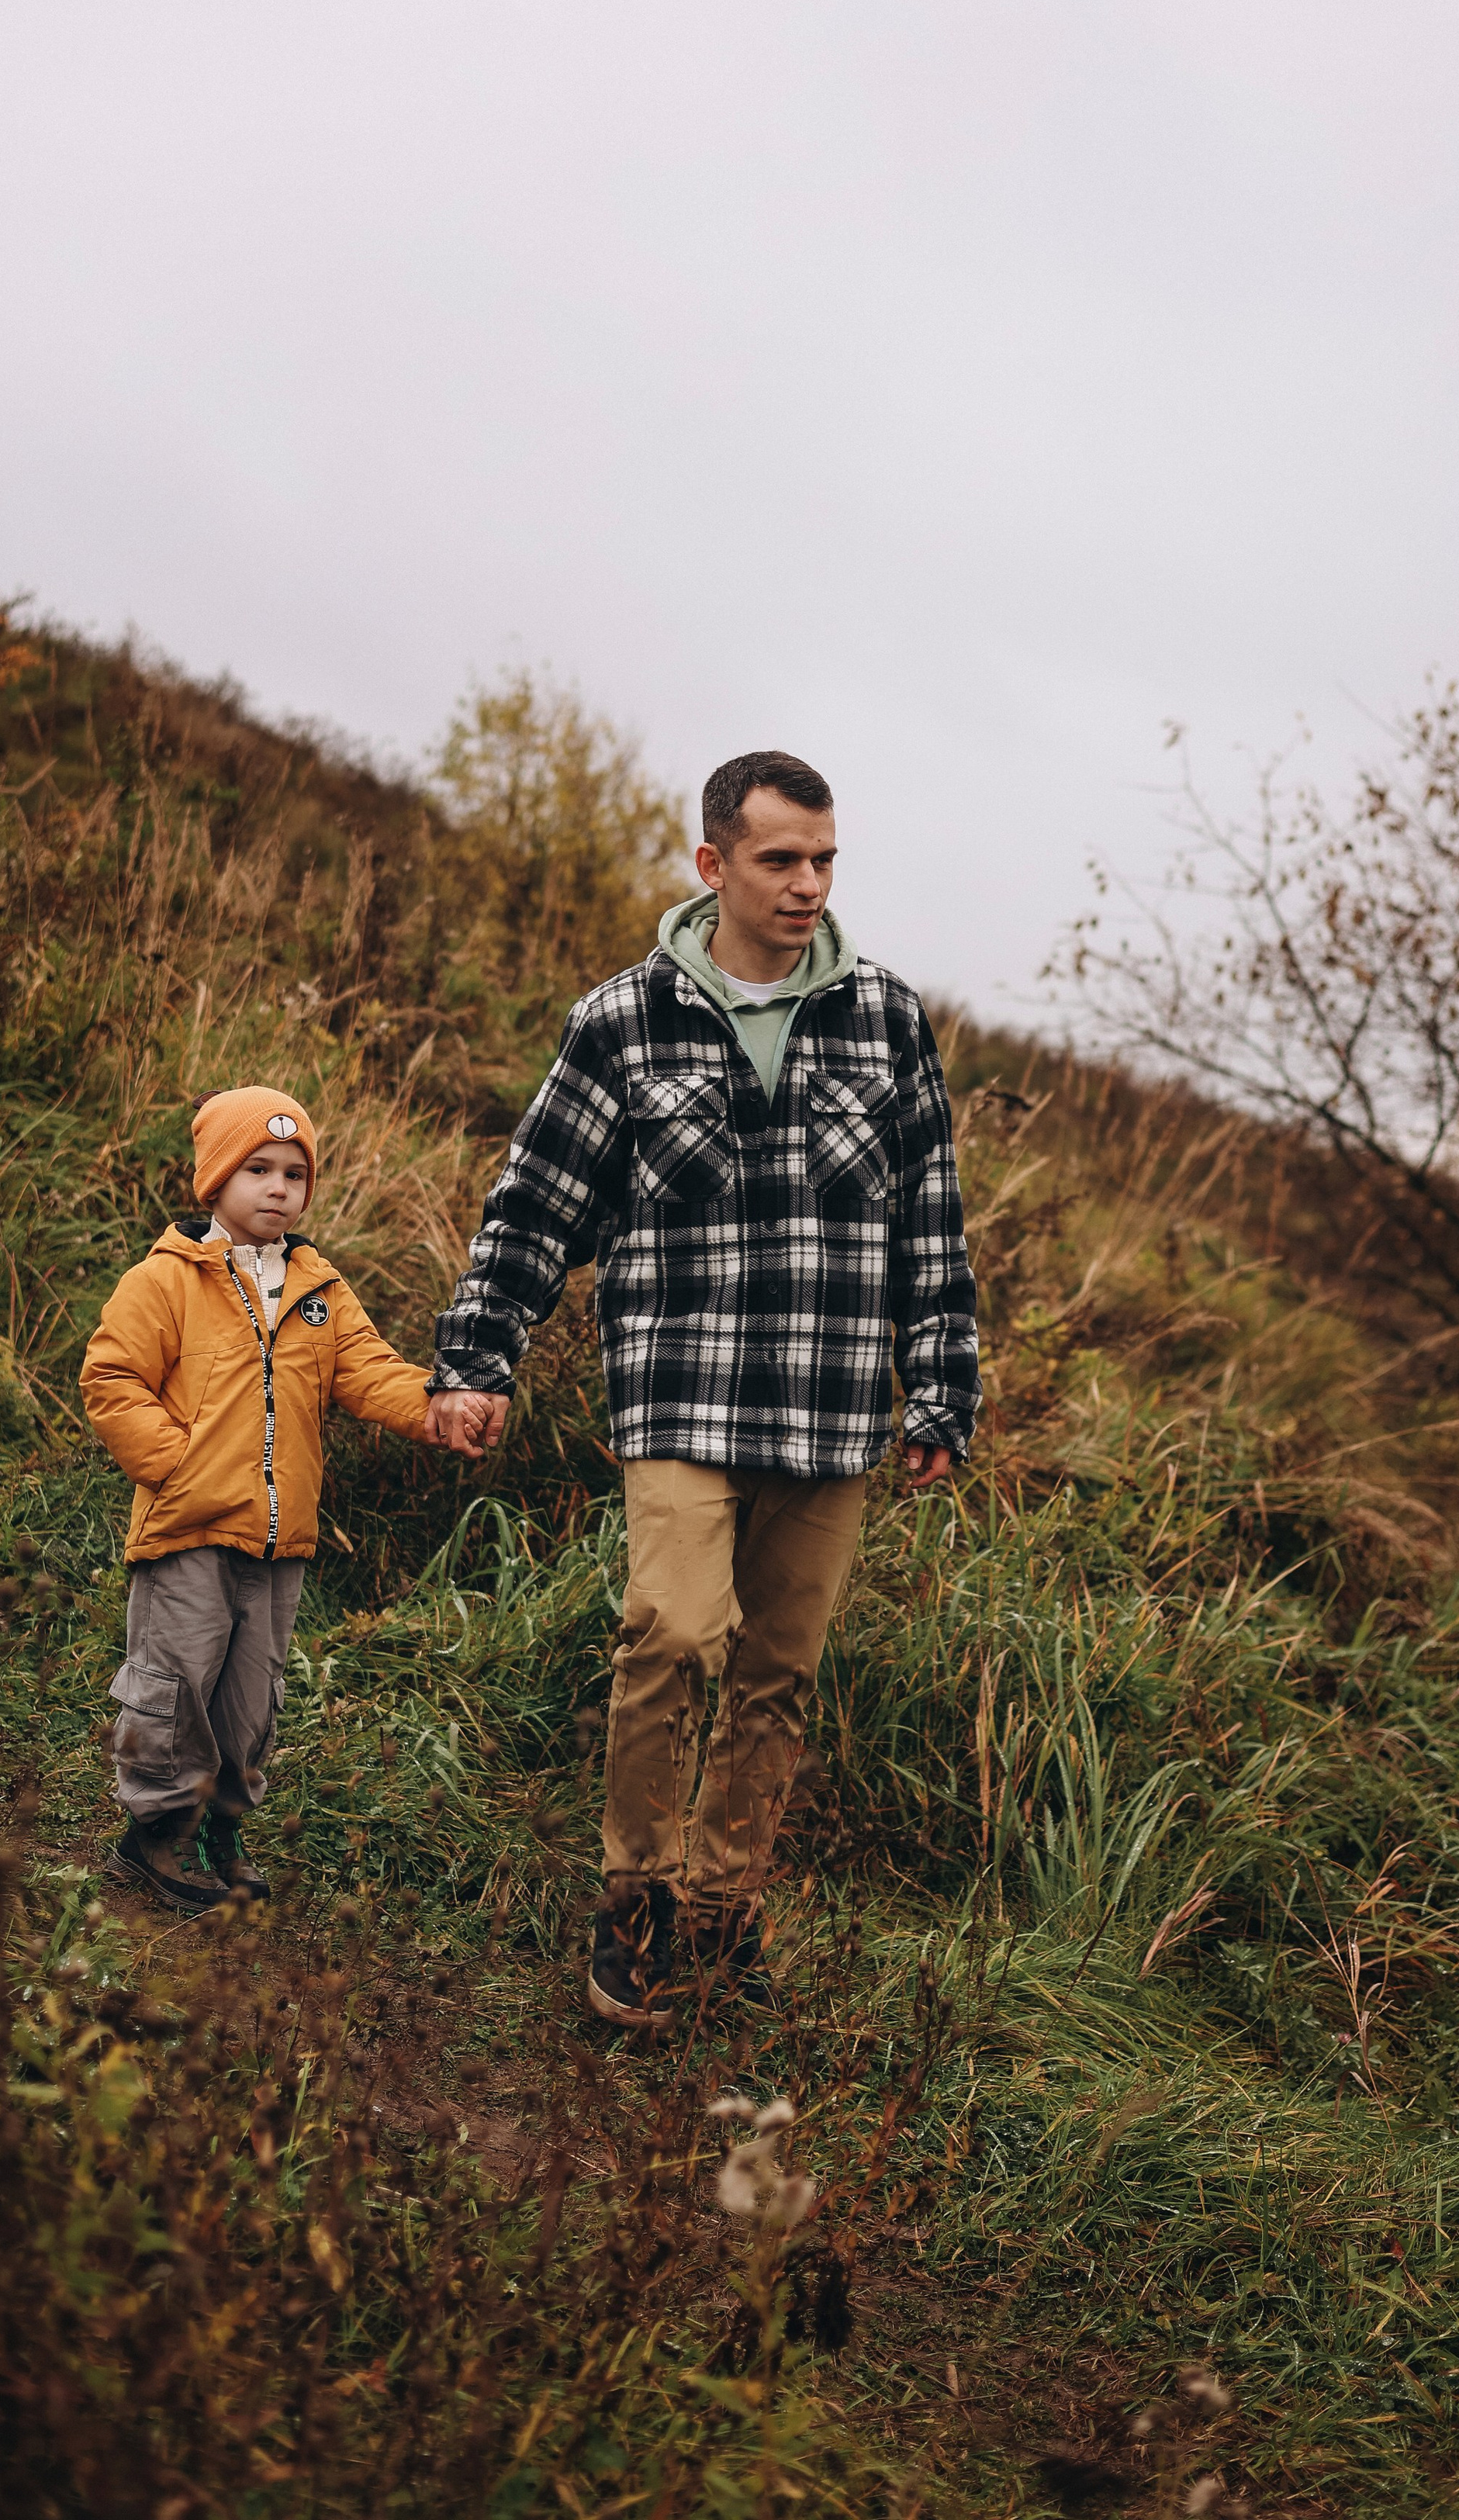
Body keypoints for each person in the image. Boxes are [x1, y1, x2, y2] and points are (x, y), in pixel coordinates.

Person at [425, 749, 980, 2024]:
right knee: (673, 1635)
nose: (807, 884)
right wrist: (477, 1360)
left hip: (836, 1405)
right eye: (781, 858)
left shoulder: (888, 1020)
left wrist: (942, 1388)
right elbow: (535, 1211)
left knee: (780, 1672)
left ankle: (723, 1919)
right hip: (681, 1391)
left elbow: (930, 1231)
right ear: (713, 863)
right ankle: (635, 1905)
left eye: (825, 859)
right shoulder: (624, 1020)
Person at [81, 1084, 482, 1913]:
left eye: (294, 1175)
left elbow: (370, 1374)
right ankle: (155, 1833)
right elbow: (112, 1379)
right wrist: (176, 1466)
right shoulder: (168, 1281)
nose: (277, 1188)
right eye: (257, 1169)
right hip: (188, 1529)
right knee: (176, 1680)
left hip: (276, 1544)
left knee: (249, 1698)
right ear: (215, 1180)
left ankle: (221, 1829)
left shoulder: (318, 1290)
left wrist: (438, 1407)